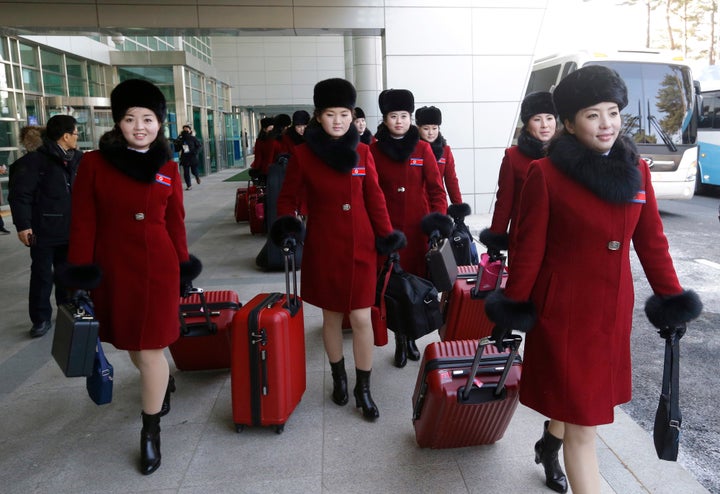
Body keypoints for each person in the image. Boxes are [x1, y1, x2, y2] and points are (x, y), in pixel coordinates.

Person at [484, 65, 702, 494]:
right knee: (586, 424)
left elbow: (652, 240)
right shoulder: (544, 175)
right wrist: (513, 307)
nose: (607, 124)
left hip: (612, 313)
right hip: (564, 315)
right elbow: (528, 250)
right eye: (592, 115)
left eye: (613, 112)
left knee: (583, 403)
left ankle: (549, 443)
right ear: (568, 123)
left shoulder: (636, 169)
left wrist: (671, 298)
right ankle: (560, 449)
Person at [60, 79, 202, 475]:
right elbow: (83, 224)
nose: (140, 126)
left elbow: (176, 224)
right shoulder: (93, 164)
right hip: (114, 269)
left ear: (160, 123)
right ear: (117, 123)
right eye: (130, 118)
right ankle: (161, 383)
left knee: (151, 347)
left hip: (159, 267)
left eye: (148, 119)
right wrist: (80, 274)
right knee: (134, 348)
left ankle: (150, 431)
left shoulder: (169, 167)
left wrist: (183, 266)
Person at [272, 78, 405, 421]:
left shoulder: (363, 152)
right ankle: (339, 378)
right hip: (324, 247)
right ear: (318, 117)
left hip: (361, 247)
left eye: (344, 114)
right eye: (330, 114)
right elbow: (286, 199)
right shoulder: (302, 155)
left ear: (352, 116)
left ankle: (364, 387)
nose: (338, 121)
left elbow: (375, 199)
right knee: (331, 317)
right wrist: (287, 228)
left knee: (361, 317)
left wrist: (387, 237)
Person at [370, 89, 449, 368]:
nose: (400, 121)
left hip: (417, 231)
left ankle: (412, 337)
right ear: (385, 118)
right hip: (388, 231)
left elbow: (437, 191)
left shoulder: (423, 148)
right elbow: (370, 192)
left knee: (414, 284)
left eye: (405, 116)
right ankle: (400, 341)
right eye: (394, 116)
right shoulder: (374, 150)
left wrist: (438, 223)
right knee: (393, 287)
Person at [8, 115, 82, 338]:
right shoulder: (35, 161)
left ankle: (67, 309)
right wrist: (23, 225)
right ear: (66, 136)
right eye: (76, 133)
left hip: (71, 228)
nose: (78, 137)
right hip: (44, 229)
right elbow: (20, 196)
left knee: (66, 272)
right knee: (42, 275)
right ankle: (40, 318)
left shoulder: (78, 159)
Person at [480, 92, 557, 260]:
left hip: (559, 238)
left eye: (550, 118)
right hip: (524, 237)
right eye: (537, 119)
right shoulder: (513, 156)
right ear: (527, 124)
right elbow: (504, 202)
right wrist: (495, 238)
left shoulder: (568, 155)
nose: (545, 125)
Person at [415, 106, 462, 206]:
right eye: (426, 128)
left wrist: (458, 207)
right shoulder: (412, 150)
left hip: (438, 203)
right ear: (418, 128)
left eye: (434, 128)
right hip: (417, 205)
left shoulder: (445, 151)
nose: (431, 132)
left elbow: (451, 181)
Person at [174, 124, 203, 190]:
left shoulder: (193, 138)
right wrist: (176, 143)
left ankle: (197, 176)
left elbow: (199, 146)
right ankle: (189, 185)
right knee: (186, 173)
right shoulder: (181, 139)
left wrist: (195, 152)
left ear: (190, 131)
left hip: (193, 157)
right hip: (185, 157)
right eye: (184, 129)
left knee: (194, 171)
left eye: (187, 129)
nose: (185, 130)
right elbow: (177, 149)